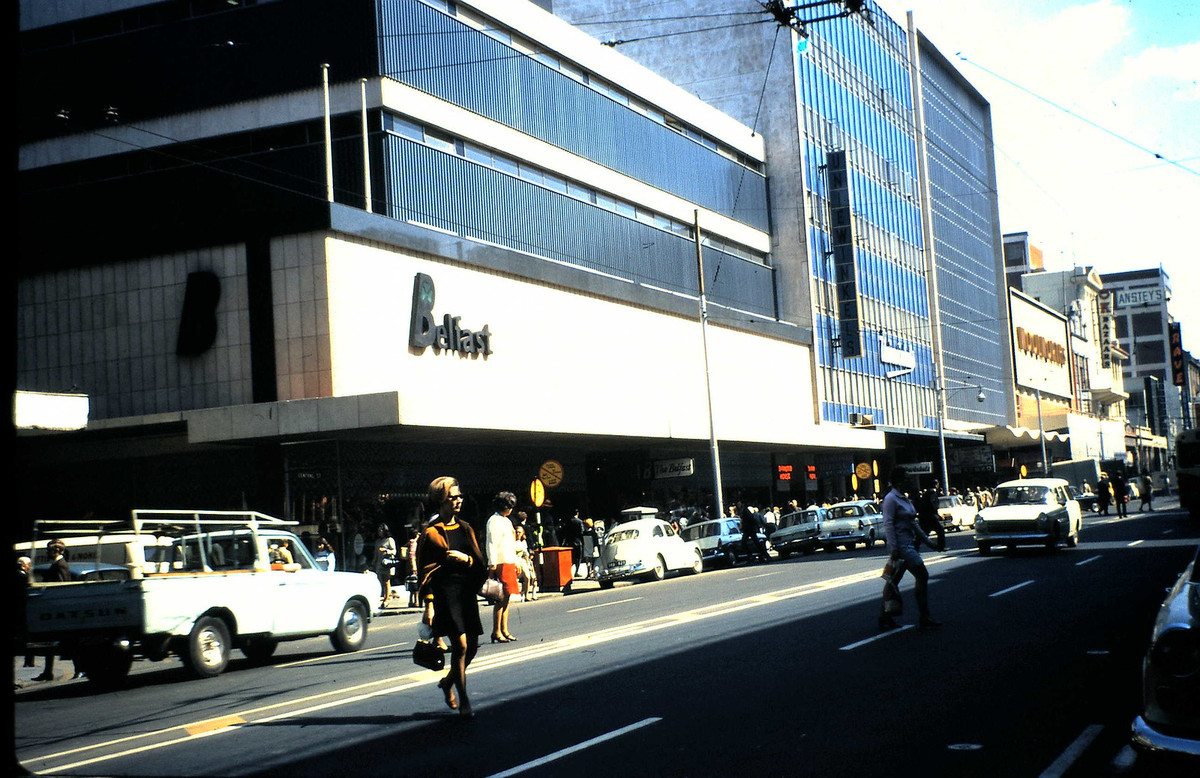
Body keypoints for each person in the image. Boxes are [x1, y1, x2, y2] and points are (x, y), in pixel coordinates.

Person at [418, 476, 486, 718]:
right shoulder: (431, 533)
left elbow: (480, 563)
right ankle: (464, 699)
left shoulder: (466, 528)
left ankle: (448, 682)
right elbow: (425, 572)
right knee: (461, 646)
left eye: (459, 496)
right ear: (441, 501)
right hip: (445, 595)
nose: (458, 500)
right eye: (453, 497)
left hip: (466, 592)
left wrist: (465, 559)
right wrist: (429, 605)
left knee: (474, 647)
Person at [879, 467, 943, 632]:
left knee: (893, 582)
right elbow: (888, 524)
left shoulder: (903, 498)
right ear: (900, 481)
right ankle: (924, 616)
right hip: (901, 546)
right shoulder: (891, 499)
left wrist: (929, 543)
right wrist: (893, 548)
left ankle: (885, 616)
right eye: (907, 478)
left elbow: (913, 523)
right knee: (922, 575)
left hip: (907, 544)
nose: (910, 481)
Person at [484, 491, 520, 643]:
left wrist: (516, 561)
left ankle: (504, 629)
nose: (511, 509)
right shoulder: (494, 521)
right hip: (500, 562)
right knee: (501, 597)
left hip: (509, 560)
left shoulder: (507, 521)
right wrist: (492, 564)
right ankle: (496, 631)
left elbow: (511, 544)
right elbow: (492, 544)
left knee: (507, 598)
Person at [374, 523, 397, 608]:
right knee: (381, 581)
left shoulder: (389, 540)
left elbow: (394, 551)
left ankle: (386, 598)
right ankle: (385, 595)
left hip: (387, 564)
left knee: (387, 581)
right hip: (379, 564)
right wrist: (373, 564)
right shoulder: (377, 541)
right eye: (378, 531)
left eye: (381, 530)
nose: (379, 532)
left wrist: (386, 551)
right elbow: (375, 554)